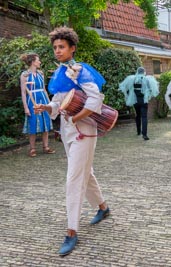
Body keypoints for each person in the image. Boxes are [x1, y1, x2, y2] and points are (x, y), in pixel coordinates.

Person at [34, 26, 110, 256]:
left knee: (74, 177)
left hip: (84, 129)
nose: (57, 51)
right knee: (85, 172)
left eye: (62, 47)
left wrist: (76, 118)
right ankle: (103, 207)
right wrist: (47, 107)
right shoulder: (60, 73)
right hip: (67, 130)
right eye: (55, 47)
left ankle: (71, 232)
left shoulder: (81, 71)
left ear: (72, 48)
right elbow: (60, 102)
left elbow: (95, 98)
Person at [20, 53, 55, 157]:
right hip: (32, 101)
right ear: (33, 62)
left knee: (45, 123)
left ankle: (46, 147)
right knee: (33, 123)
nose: (40, 62)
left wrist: (50, 104)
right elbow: (23, 92)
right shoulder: (24, 75)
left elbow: (44, 89)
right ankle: (32, 149)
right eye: (38, 60)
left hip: (43, 99)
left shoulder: (41, 73)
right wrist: (26, 107)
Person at [119, 67, 159, 140]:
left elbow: (126, 88)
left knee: (138, 115)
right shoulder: (147, 79)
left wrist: (129, 95)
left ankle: (138, 131)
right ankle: (145, 134)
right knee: (144, 117)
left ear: (137, 71)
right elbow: (151, 89)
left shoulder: (132, 79)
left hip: (135, 100)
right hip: (143, 100)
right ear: (144, 72)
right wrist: (148, 96)